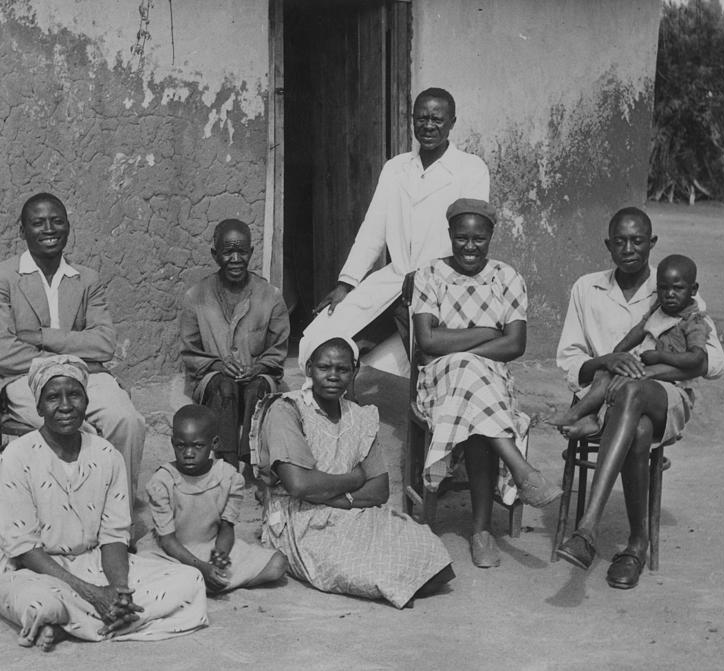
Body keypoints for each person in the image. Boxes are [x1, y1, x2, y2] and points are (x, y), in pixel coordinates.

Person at [0, 355, 208, 651]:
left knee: (189, 581)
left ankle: (72, 627)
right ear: (38, 406)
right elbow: (24, 550)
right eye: (53, 397)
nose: (65, 406)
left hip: (95, 563)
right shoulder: (14, 459)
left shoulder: (107, 456)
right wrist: (93, 594)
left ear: (86, 401)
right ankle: (104, 620)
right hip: (36, 570)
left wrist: (118, 589)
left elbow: (114, 536)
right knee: (40, 603)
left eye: (74, 394)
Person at [555, 207, 724, 589]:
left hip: (667, 398)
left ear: (652, 243)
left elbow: (713, 362)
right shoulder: (587, 287)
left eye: (637, 241)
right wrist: (606, 360)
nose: (628, 249)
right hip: (608, 399)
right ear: (608, 245)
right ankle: (635, 545)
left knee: (633, 391)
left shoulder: (673, 283)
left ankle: (586, 529)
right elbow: (568, 361)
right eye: (620, 241)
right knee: (638, 429)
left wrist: (651, 370)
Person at [410, 198, 563, 568]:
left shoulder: (506, 277)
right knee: (470, 377)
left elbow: (515, 344)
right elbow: (427, 342)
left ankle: (481, 531)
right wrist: (482, 331)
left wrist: (457, 343)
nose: (469, 246)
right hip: (438, 384)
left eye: (478, 239)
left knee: (473, 384)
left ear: (491, 236)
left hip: (490, 385)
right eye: (461, 237)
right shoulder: (429, 274)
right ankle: (513, 483)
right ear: (450, 235)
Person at [252, 335, 454, 609]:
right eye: (324, 368)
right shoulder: (287, 409)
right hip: (299, 518)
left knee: (434, 558)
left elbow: (380, 489)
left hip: (352, 511)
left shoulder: (360, 416)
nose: (333, 376)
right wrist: (354, 478)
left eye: (342, 369)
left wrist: (333, 497)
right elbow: (298, 485)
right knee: (377, 570)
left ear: (355, 371)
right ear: (309, 368)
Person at [0, 192, 145, 506]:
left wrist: (42, 336)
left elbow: (104, 343)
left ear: (68, 227)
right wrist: (67, 359)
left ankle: (119, 518)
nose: (49, 229)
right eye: (38, 223)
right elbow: (1, 352)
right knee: (75, 429)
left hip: (83, 375)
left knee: (128, 421)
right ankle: (76, 517)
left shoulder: (86, 279)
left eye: (57, 221)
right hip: (21, 378)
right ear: (22, 230)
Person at [300, 87, 491, 360]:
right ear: (412, 119)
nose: (428, 126)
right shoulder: (396, 168)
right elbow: (372, 230)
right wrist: (347, 283)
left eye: (437, 119)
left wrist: (432, 275)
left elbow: (471, 237)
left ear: (452, 122)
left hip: (447, 282)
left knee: (419, 361)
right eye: (421, 118)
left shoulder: (471, 169)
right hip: (397, 276)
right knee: (326, 332)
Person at [547, 253, 710, 439]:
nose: (670, 293)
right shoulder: (659, 306)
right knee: (609, 379)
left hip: (665, 384)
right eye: (663, 288)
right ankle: (577, 415)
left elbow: (701, 361)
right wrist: (615, 355)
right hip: (640, 369)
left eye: (677, 289)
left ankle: (596, 422)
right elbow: (640, 329)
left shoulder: (693, 318)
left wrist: (659, 358)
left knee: (629, 394)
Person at [141, 404, 289, 594]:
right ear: (172, 443)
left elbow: (227, 529)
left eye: (198, 446)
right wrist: (200, 567)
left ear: (215, 443)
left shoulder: (228, 478)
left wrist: (218, 559)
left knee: (277, 564)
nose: (188, 454)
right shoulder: (162, 481)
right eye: (181, 445)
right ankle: (202, 581)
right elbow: (168, 540)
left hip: (211, 546)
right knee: (146, 571)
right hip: (172, 553)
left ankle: (201, 583)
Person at [180, 218, 290, 466]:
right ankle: (227, 463)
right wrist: (218, 365)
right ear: (215, 254)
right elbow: (190, 353)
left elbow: (278, 349)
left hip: (258, 375)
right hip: (214, 379)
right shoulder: (196, 297)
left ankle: (253, 465)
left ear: (251, 252)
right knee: (224, 387)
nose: (236, 259)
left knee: (257, 390)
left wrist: (258, 367)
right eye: (228, 252)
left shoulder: (270, 296)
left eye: (242, 251)